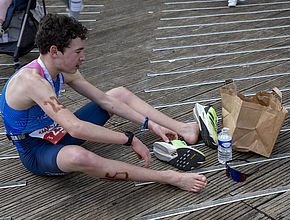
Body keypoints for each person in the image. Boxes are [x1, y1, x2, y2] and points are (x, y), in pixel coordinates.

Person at [1, 14, 209, 192]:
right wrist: (128, 139)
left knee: (118, 93)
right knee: (81, 157)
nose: (83, 57)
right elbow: (76, 128)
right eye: (78, 51)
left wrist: (149, 123)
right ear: (54, 51)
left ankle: (183, 129)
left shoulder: (62, 69)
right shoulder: (32, 81)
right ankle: (170, 177)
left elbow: (105, 100)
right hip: (37, 151)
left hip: (57, 132)